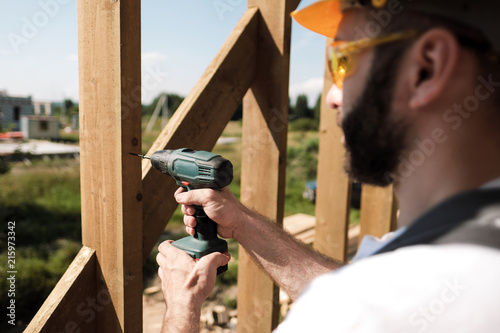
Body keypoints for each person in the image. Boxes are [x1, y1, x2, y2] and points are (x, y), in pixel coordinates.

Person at [156, 0, 500, 331]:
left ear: (427, 68)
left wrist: (182, 306)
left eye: (344, 61)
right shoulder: (448, 256)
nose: (333, 96)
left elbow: (360, 307)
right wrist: (242, 223)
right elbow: (367, 289)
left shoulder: (365, 314)